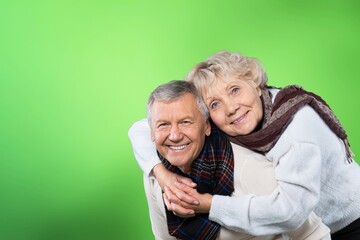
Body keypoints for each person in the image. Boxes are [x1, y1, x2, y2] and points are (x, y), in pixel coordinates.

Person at [167, 51, 360, 238]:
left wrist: (210, 204)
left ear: (256, 85)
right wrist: (163, 175)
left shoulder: (296, 128)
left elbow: (290, 212)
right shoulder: (236, 121)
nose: (231, 108)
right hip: (311, 230)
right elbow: (145, 128)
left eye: (235, 90)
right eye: (215, 104)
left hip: (349, 224)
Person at [129, 80, 331, 239]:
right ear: (151, 132)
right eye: (163, 125)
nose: (174, 135)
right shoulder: (156, 174)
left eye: (185, 122)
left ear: (207, 126)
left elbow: (313, 233)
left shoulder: (248, 168)